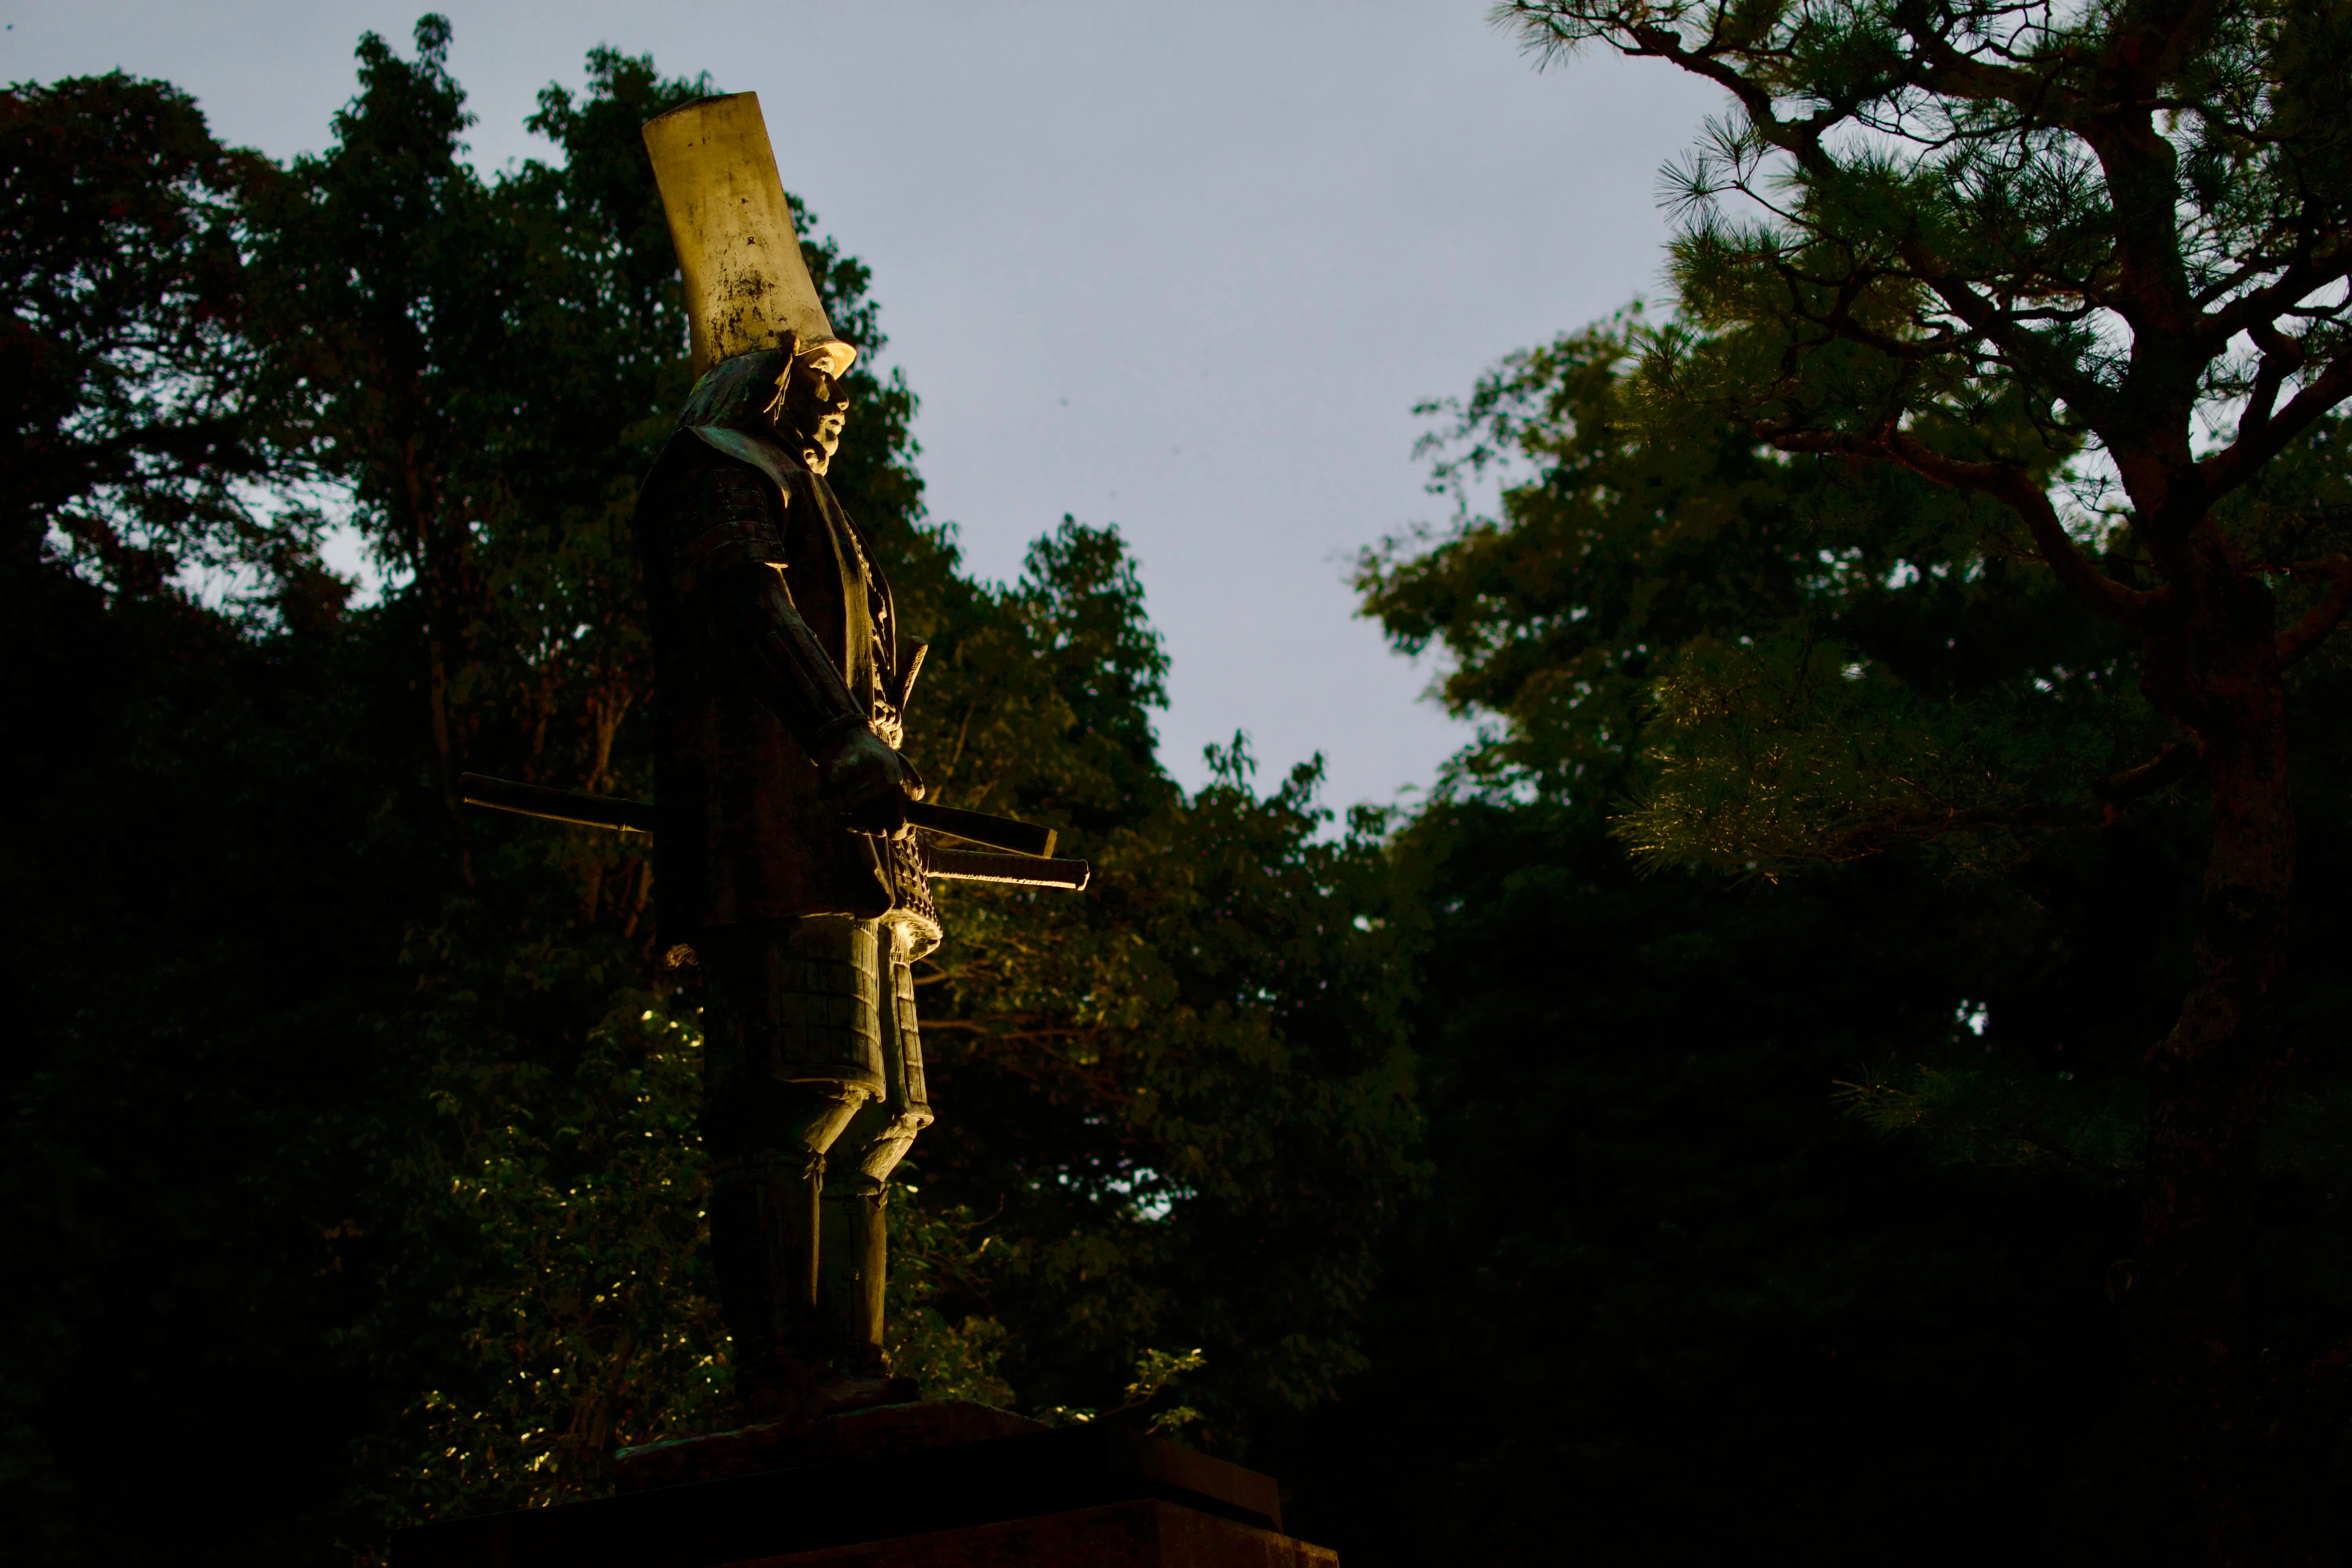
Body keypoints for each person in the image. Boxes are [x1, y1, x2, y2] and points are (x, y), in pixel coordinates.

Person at [638, 93, 936, 1418]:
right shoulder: (715, 470)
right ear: (766, 379)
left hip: (859, 844)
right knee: (794, 1097)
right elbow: (747, 608)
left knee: (885, 1111)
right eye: (817, 389)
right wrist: (835, 736)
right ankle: (783, 1370)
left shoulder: (820, 509)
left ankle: (856, 1362)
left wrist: (877, 752)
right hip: (779, 822)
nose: (832, 417)